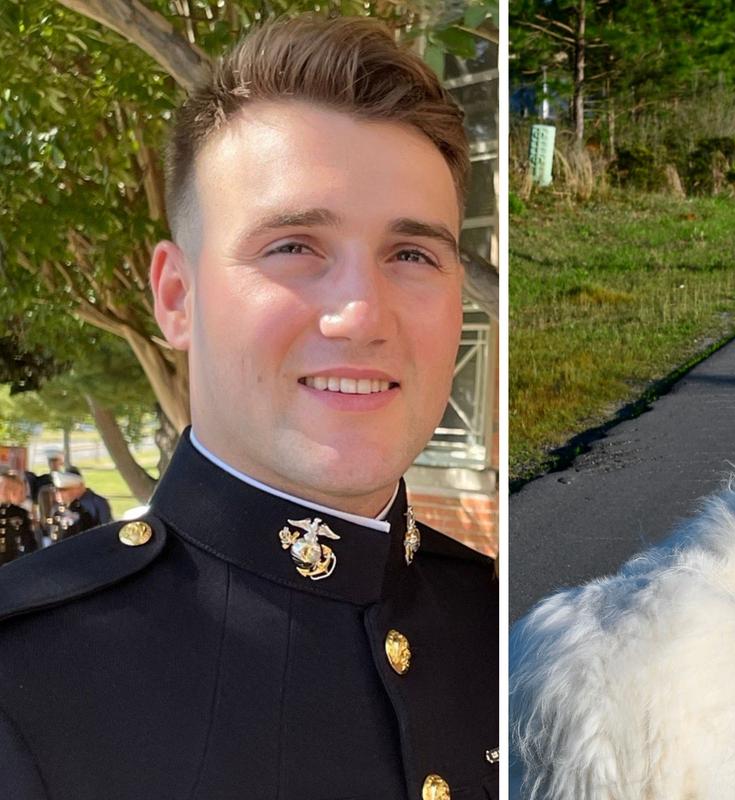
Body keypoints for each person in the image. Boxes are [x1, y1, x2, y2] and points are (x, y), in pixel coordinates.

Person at [0, 15, 497, 800]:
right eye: (294, 246)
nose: (361, 315)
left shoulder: (508, 625)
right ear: (176, 296)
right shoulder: (23, 679)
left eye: (411, 254)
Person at [0, 472, 38, 566]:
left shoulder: (20, 513)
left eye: (7, 488)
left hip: (12, 561)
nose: (3, 491)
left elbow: (28, 541)